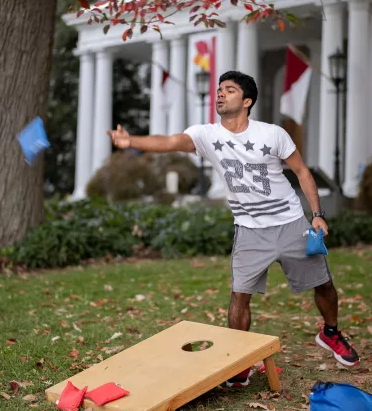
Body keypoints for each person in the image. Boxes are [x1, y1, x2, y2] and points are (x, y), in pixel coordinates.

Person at [106, 70, 359, 387]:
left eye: (229, 90)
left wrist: (317, 214)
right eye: (219, 89)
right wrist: (132, 142)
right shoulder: (207, 135)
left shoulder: (272, 134)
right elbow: (170, 142)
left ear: (247, 100)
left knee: (322, 284)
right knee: (239, 297)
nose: (220, 94)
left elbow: (303, 173)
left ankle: (331, 332)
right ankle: (240, 361)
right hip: (250, 230)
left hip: (291, 223)